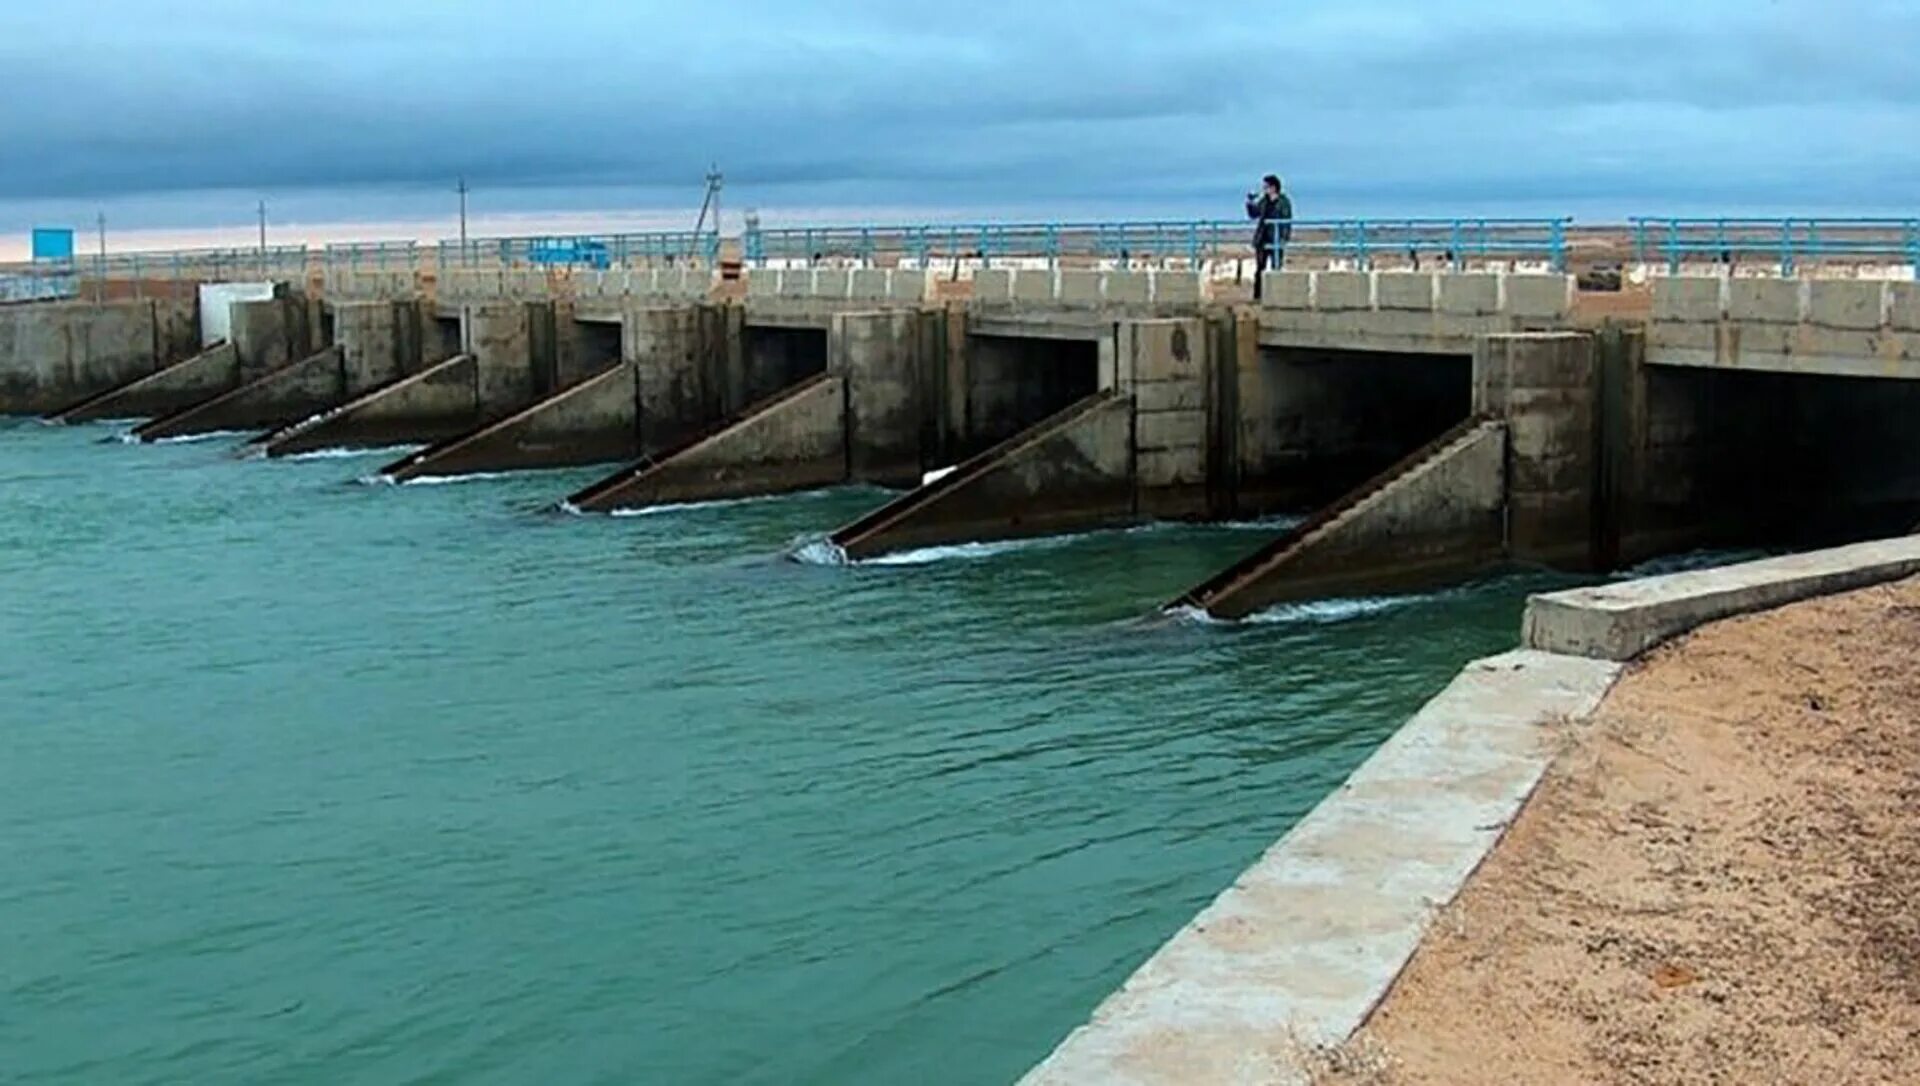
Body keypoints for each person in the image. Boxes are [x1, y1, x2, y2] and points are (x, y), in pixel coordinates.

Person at [1245, 174, 1293, 299]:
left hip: (1276, 239)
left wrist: (1284, 238)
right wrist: (1250, 202)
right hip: (1263, 238)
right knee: (1260, 267)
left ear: (1274, 187)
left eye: (1266, 186)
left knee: (1276, 267)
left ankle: (1276, 296)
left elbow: (1286, 221)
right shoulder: (1264, 201)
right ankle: (1258, 296)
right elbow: (1254, 214)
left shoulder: (1284, 202)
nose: (1264, 189)